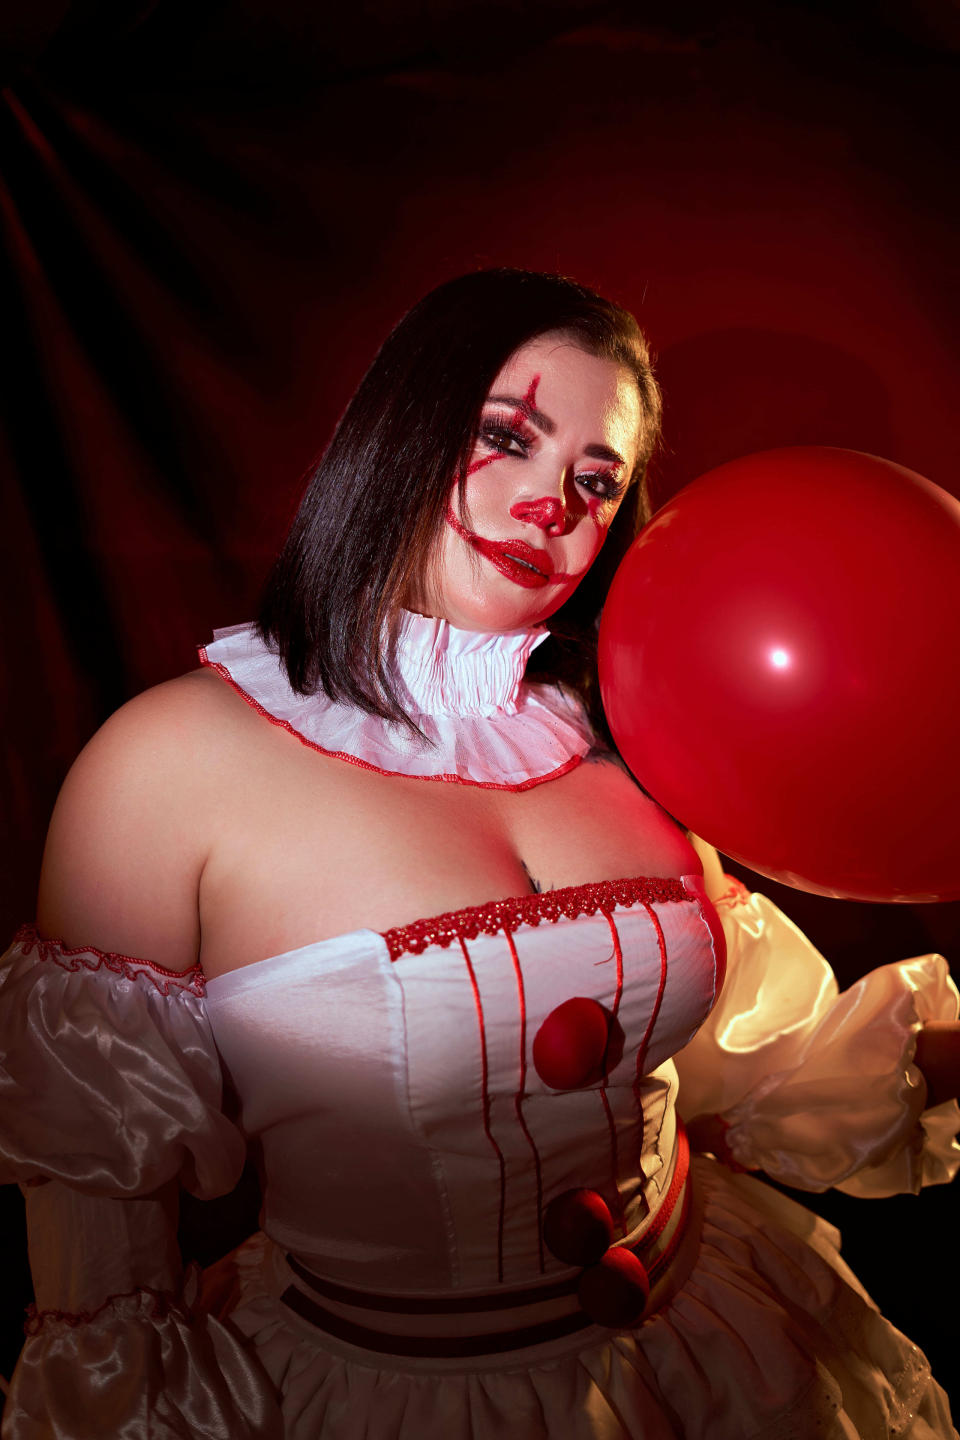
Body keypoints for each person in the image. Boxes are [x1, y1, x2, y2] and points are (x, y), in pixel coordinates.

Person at [1, 268, 957, 1439]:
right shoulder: (159, 770)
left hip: (723, 1354)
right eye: (507, 437)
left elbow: (754, 1056)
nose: (552, 502)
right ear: (400, 434)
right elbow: (103, 1266)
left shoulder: (643, 730)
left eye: (596, 481)